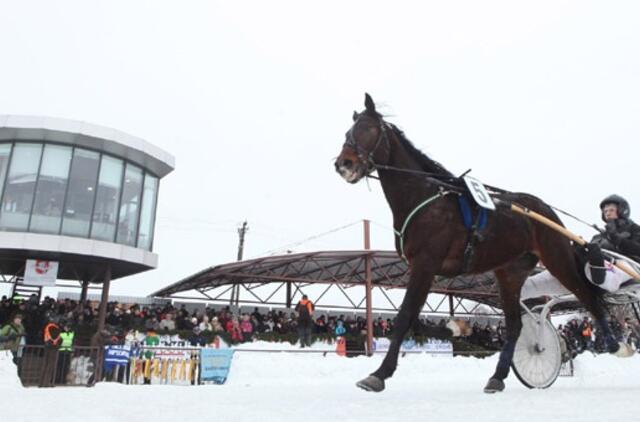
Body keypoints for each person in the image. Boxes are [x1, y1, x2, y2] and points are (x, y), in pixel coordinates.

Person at [522, 194, 640, 299]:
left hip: (626, 266)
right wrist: (578, 248)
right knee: (570, 264)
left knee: (614, 268)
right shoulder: (598, 236)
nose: (607, 213)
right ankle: (518, 291)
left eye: (611, 210)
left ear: (622, 210)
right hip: (587, 272)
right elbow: (590, 251)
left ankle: (600, 274)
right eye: (605, 211)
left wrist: (617, 239)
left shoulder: (633, 229)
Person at [40, 316, 62, 387]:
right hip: (52, 348)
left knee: (46, 365)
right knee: (50, 366)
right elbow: (57, 338)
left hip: (48, 347)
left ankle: (42, 383)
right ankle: (46, 383)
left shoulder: (48, 326)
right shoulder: (53, 327)